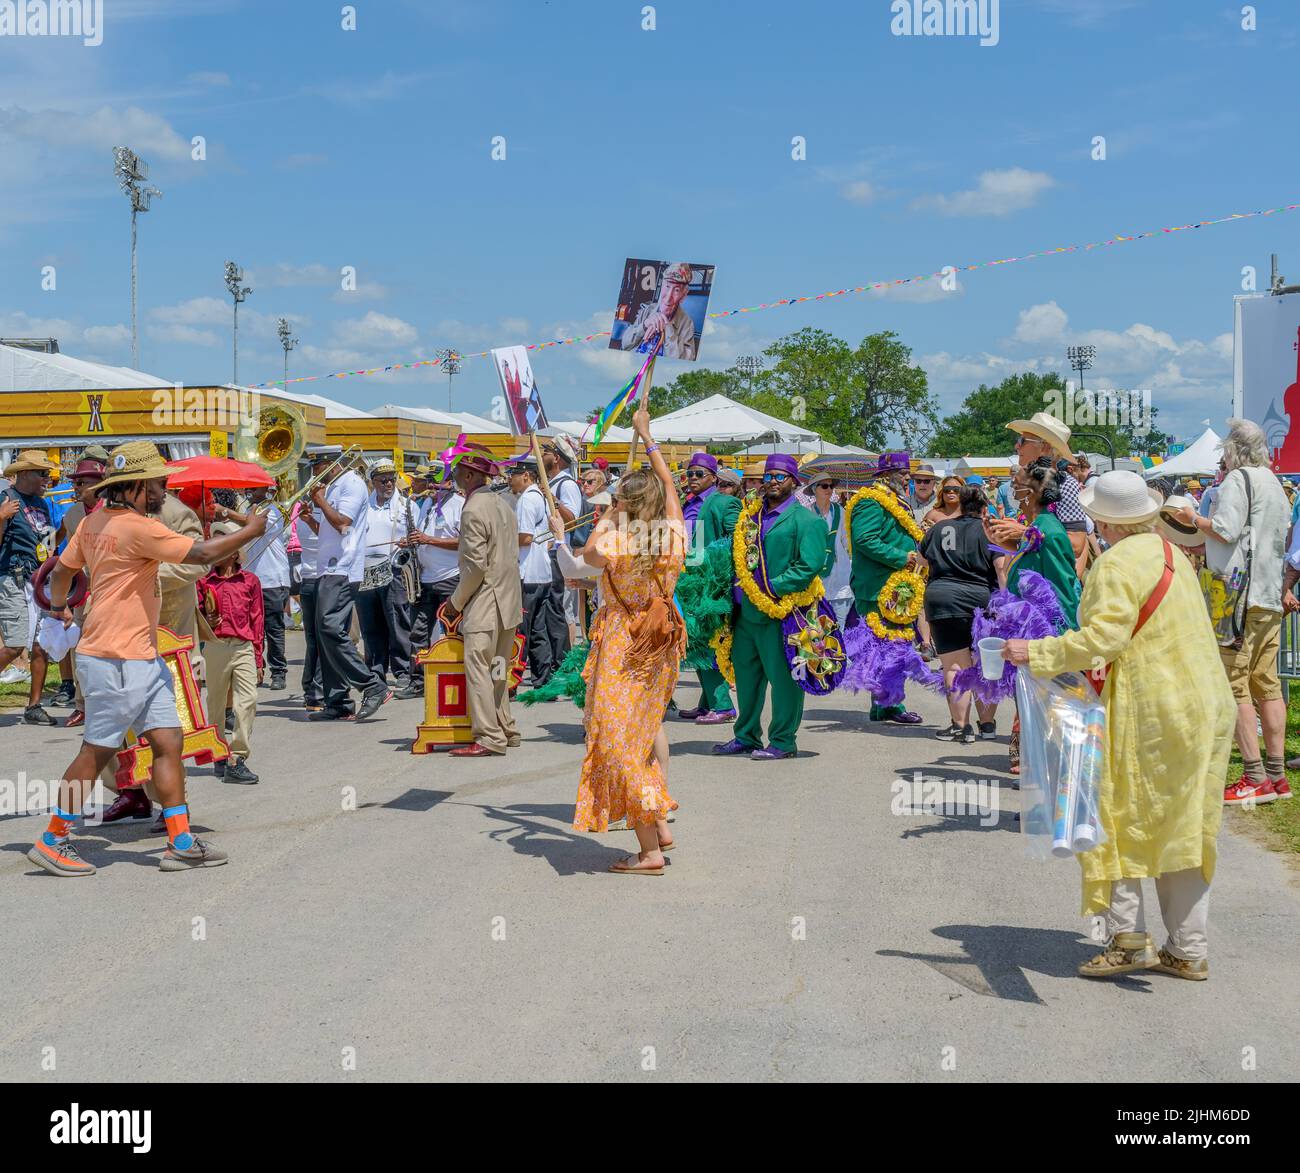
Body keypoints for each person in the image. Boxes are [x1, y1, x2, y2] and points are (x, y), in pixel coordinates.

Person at [1003, 470, 1236, 981]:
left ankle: (1128, 939)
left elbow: (1102, 640)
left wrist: (1035, 652)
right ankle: (1188, 948)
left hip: (1150, 710)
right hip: (1204, 707)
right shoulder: (1172, 554)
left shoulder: (1114, 564)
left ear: (1103, 521)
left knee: (1111, 814)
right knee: (1184, 826)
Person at [30, 441, 266, 877]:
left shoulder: (95, 520)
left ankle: (179, 840)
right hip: (116, 657)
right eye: (157, 483)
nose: (164, 488)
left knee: (168, 740)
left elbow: (62, 571)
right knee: (97, 749)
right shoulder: (137, 527)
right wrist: (251, 529)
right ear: (136, 485)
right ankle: (52, 839)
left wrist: (58, 608)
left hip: (137, 654)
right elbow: (202, 555)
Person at [566, 406, 686, 872]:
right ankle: (659, 825)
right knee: (640, 732)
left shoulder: (619, 538)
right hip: (662, 641)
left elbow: (589, 556)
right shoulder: (671, 533)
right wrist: (646, 436)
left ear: (624, 504)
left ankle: (650, 849)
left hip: (624, 642)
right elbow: (672, 487)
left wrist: (609, 517)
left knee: (618, 741)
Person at [1171, 419, 1291, 804]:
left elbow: (1224, 530)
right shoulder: (1274, 482)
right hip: (1268, 593)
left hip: (1237, 596)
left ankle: (1254, 776)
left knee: (1234, 684)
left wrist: (1192, 520)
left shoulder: (1238, 481)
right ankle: (1277, 776)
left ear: (1235, 450)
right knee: (1266, 684)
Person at [713, 454, 828, 760]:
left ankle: (782, 740)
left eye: (780, 477)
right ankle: (746, 735)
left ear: (795, 481)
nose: (773, 482)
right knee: (747, 679)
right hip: (743, 614)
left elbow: (810, 565)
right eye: (769, 476)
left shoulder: (808, 521)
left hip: (783, 613)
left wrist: (771, 587)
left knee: (784, 680)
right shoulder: (750, 518)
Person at [443, 444, 522, 757]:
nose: (456, 476)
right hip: (508, 599)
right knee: (499, 669)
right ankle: (505, 726)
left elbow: (475, 566)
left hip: (487, 600)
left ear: (471, 473)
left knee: (477, 667)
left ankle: (489, 736)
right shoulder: (504, 504)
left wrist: (455, 602)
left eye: (459, 471)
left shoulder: (474, 507)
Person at [309, 447, 390, 722]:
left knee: (330, 627)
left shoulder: (351, 484)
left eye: (316, 467)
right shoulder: (333, 487)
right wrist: (309, 517)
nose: (313, 474)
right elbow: (330, 528)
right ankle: (338, 699)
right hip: (328, 567)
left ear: (331, 464)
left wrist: (320, 502)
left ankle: (372, 684)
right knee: (326, 633)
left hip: (342, 568)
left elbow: (343, 522)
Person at [849, 453, 925, 723]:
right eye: (901, 472)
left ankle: (885, 704)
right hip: (877, 587)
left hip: (898, 587)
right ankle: (889, 705)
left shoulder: (895, 499)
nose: (907, 477)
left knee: (894, 647)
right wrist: (902, 557)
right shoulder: (870, 500)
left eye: (907, 472)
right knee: (883, 647)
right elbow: (865, 540)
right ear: (884, 475)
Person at [920, 486, 999, 743]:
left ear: (960, 506)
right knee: (985, 664)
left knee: (954, 665)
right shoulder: (989, 530)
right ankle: (987, 726)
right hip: (980, 599)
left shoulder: (939, 528)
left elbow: (922, 560)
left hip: (942, 598)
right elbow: (1001, 568)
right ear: (984, 508)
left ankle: (961, 726)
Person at [198, 523, 263, 785]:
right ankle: (218, 753)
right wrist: (208, 618)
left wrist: (259, 658)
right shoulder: (203, 582)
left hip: (243, 646)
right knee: (214, 703)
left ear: (235, 552)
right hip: (214, 647)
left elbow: (257, 621)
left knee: (247, 700)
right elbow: (197, 618)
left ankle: (237, 757)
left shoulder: (250, 581)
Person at [680, 452, 742, 725]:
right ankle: (707, 703)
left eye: (698, 474)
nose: (692, 479)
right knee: (697, 643)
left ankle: (723, 705)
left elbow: (736, 542)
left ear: (713, 478)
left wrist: (719, 577)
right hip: (690, 580)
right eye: (689, 474)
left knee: (707, 643)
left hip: (712, 585)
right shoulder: (687, 503)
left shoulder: (725, 503)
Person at [0, 450, 61, 725]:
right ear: (24, 473)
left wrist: (63, 536)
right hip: (12, 578)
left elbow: (46, 544)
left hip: (37, 580)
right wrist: (1, 518)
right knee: (14, 646)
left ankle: (33, 706)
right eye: (42, 473)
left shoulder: (41, 504)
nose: (47, 479)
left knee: (40, 646)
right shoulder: (6, 499)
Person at [998, 411, 1091, 578]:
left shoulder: (1065, 484)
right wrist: (1003, 536)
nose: (1017, 446)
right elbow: (1030, 544)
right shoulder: (1028, 483)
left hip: (1051, 588)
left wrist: (1024, 532)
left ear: (1045, 447)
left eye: (1022, 441)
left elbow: (1076, 544)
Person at [397, 468, 464, 699]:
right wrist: (411, 542)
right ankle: (418, 681)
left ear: (449, 483)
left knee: (453, 630)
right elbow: (423, 535)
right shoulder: (426, 504)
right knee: (418, 633)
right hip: (424, 578)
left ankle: (456, 679)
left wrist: (429, 540)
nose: (432, 486)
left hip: (450, 577)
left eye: (437, 482)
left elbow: (464, 542)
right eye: (430, 482)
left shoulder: (459, 505)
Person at [221, 484, 290, 690]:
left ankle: (279, 672)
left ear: (266, 490)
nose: (249, 490)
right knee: (250, 628)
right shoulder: (245, 509)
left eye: (255, 488)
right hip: (250, 577)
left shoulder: (272, 509)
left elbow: (254, 526)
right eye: (248, 487)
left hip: (272, 578)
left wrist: (225, 511)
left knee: (273, 627)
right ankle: (256, 669)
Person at [355, 460, 414, 690]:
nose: (389, 484)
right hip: (366, 571)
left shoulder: (406, 505)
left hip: (394, 571)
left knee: (397, 620)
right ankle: (376, 669)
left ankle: (402, 670)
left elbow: (416, 535)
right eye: (383, 480)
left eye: (391, 479)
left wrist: (407, 542)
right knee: (371, 624)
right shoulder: (363, 507)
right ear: (373, 483)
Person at [53, 459, 104, 728]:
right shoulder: (72, 515)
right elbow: (67, 558)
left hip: (112, 590)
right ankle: (82, 705)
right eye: (75, 482)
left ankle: (109, 704)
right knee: (79, 648)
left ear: (100, 485)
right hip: (83, 591)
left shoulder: (115, 510)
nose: (76, 486)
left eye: (82, 482)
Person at [510, 455, 560, 687]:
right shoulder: (538, 497)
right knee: (538, 629)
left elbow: (526, 537)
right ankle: (542, 677)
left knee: (521, 630)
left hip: (528, 573)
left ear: (526, 476)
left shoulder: (528, 500)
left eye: (513, 475)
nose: (510, 480)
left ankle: (513, 677)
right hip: (540, 572)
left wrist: (501, 539)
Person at [541, 436, 584, 647]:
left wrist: (554, 501)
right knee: (551, 606)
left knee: (562, 607)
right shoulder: (552, 483)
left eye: (546, 452)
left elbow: (573, 521)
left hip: (560, 553)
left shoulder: (566, 485)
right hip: (548, 553)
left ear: (556, 457)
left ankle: (566, 657)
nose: (542, 456)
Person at [617, 261, 699, 360]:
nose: (668, 297)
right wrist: (644, 325)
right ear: (661, 287)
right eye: (667, 287)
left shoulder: (687, 323)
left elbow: (685, 361)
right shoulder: (648, 310)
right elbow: (625, 344)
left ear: (683, 296)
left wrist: (668, 327)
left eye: (676, 290)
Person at [806, 471, 853, 628]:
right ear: (814, 490)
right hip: (816, 582)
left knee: (840, 630)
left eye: (831, 486)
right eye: (824, 486)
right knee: (818, 631)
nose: (829, 489)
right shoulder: (807, 513)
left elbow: (847, 541)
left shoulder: (840, 511)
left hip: (841, 581)